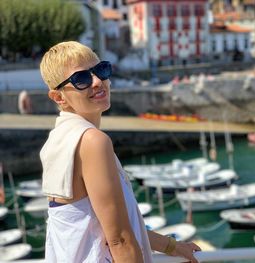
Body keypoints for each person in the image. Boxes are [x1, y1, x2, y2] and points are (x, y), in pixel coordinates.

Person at [39, 41, 201, 262]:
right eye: (81, 79)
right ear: (59, 97)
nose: (97, 82)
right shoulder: (93, 141)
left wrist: (173, 246)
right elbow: (119, 240)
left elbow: (97, 224)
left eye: (101, 70)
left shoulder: (58, 139)